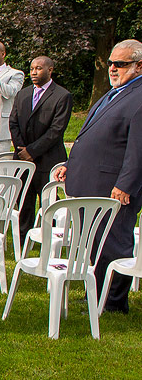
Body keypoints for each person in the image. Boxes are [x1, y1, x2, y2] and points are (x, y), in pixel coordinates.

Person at [56, 39, 142, 314]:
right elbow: (93, 137)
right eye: (111, 63)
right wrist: (71, 163)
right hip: (91, 182)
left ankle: (114, 302)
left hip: (114, 186)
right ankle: (98, 293)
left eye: (121, 64)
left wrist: (125, 185)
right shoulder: (113, 93)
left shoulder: (139, 96)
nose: (113, 69)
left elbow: (138, 150)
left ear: (139, 66)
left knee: (114, 242)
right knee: (95, 243)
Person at [9, 56, 72, 235]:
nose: (34, 72)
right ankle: (23, 240)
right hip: (23, 159)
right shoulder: (23, 94)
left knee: (49, 203)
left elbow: (56, 129)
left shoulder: (62, 95)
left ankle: (50, 239)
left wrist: (32, 151)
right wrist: (22, 149)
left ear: (50, 70)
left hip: (48, 159)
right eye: (31, 69)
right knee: (24, 203)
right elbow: (13, 122)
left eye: (38, 68)